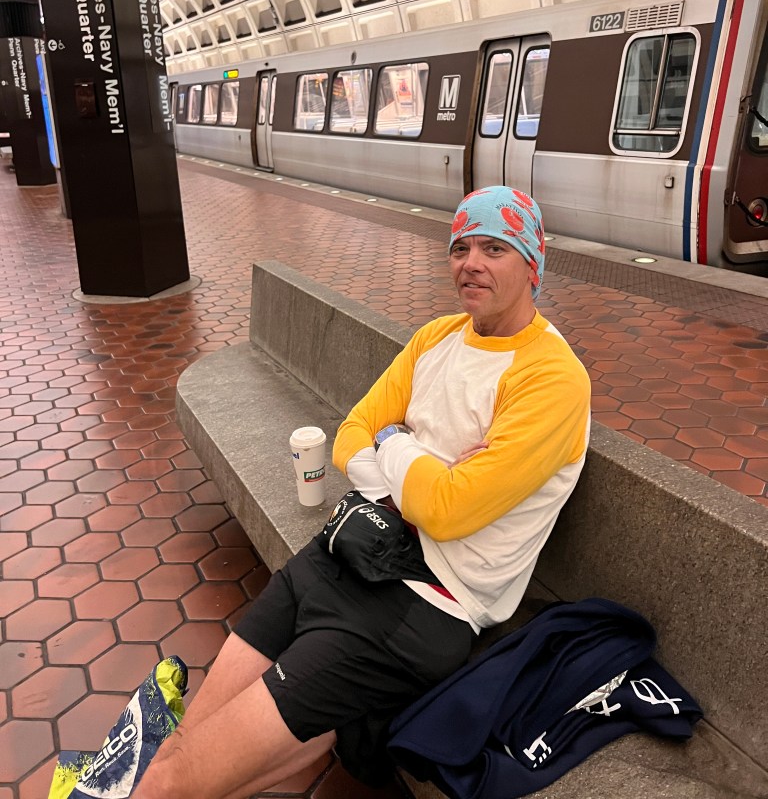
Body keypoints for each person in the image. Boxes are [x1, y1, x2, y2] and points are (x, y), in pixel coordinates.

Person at [134, 185, 591, 799]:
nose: (471, 264)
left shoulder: (552, 379)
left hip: (423, 603)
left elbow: (446, 511)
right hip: (348, 548)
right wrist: (421, 465)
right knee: (182, 744)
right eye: (460, 247)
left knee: (173, 781)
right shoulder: (436, 338)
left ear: (532, 264)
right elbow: (352, 435)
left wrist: (395, 442)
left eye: (494, 248)